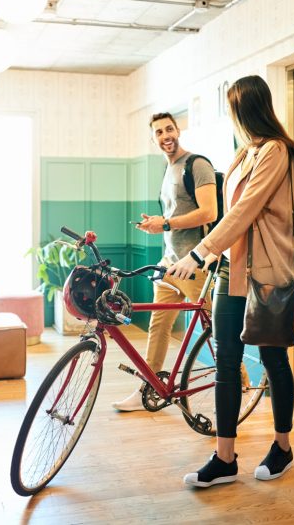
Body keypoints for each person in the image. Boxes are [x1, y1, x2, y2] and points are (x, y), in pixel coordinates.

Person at [167, 75, 294, 487]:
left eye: (232, 110)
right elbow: (234, 215)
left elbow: (245, 209)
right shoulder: (246, 153)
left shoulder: (276, 151)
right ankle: (224, 458)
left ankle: (282, 447)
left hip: (268, 275)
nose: (231, 118)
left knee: (272, 359)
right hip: (232, 270)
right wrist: (213, 256)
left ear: (246, 111)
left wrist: (199, 252)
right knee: (225, 361)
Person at [111, 112, 218, 412]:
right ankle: (147, 389)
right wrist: (156, 225)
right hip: (169, 263)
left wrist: (167, 224)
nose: (165, 135)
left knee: (215, 328)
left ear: (178, 130)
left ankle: (240, 380)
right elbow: (173, 214)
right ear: (154, 138)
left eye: (169, 129)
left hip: (194, 264)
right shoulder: (168, 169)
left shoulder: (197, 165)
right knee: (158, 328)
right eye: (158, 132)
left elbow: (209, 212)